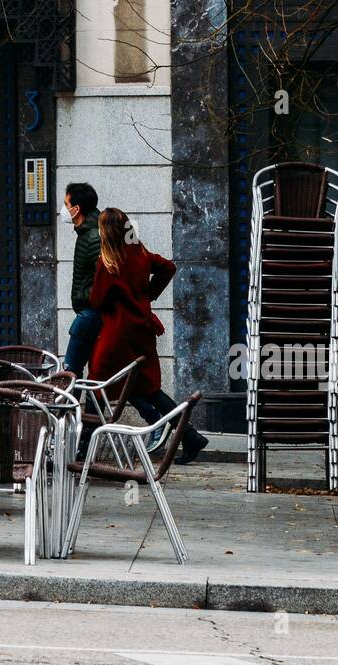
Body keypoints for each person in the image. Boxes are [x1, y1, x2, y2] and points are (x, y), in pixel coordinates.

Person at [88, 207, 209, 465]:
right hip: (141, 329)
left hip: (116, 333)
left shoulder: (108, 262)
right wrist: (148, 295)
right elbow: (168, 267)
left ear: (106, 233)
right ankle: (189, 436)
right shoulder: (140, 253)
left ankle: (85, 445)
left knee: (99, 383)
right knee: (146, 387)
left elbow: (96, 300)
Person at [62, 182, 102, 377]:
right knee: (87, 370)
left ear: (76, 209)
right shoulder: (87, 232)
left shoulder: (93, 236)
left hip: (90, 314)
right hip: (89, 313)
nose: (64, 210)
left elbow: (104, 278)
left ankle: (71, 408)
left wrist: (86, 296)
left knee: (71, 368)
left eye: (66, 204)